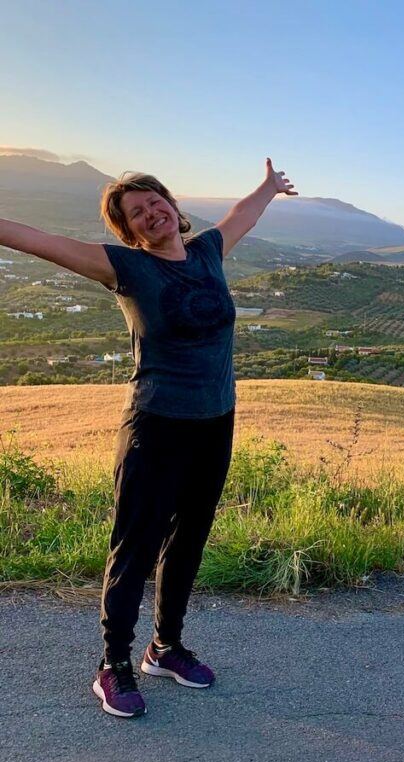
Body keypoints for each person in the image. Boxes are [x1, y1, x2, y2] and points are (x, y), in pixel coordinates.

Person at [0, 158, 297, 718]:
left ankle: (164, 648)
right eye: (137, 212)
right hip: (156, 427)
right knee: (136, 546)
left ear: (173, 206)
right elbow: (38, 240)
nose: (151, 213)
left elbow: (242, 216)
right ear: (129, 231)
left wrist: (268, 187)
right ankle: (112, 664)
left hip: (215, 422)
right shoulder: (125, 268)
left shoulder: (208, 251)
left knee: (188, 541)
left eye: (155, 201)